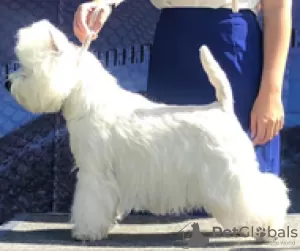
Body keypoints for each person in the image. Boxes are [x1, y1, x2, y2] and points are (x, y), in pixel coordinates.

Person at [73, 0, 292, 177]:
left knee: (238, 177)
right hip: (172, 47)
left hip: (233, 49)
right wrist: (104, 2)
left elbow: (278, 8)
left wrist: (271, 92)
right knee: (169, 175)